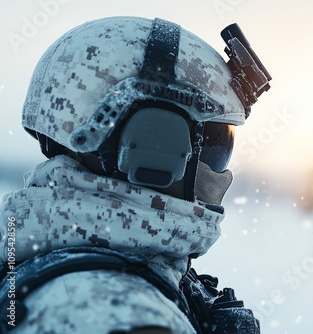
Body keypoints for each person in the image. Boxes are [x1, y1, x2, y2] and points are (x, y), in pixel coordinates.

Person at [0, 16, 271, 333]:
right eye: (214, 147)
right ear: (154, 142)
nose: (219, 172)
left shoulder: (42, 259)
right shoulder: (118, 313)